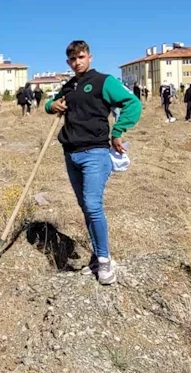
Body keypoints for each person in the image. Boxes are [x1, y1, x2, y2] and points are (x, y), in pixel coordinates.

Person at [45, 41, 141, 285]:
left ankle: (105, 260)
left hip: (95, 153)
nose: (77, 62)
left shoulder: (103, 81)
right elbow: (51, 104)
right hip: (71, 153)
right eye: (73, 59)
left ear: (90, 57)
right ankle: (98, 256)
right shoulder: (69, 86)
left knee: (92, 204)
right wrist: (51, 105)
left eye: (81, 57)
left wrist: (118, 131)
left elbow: (132, 103)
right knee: (85, 207)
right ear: (68, 62)